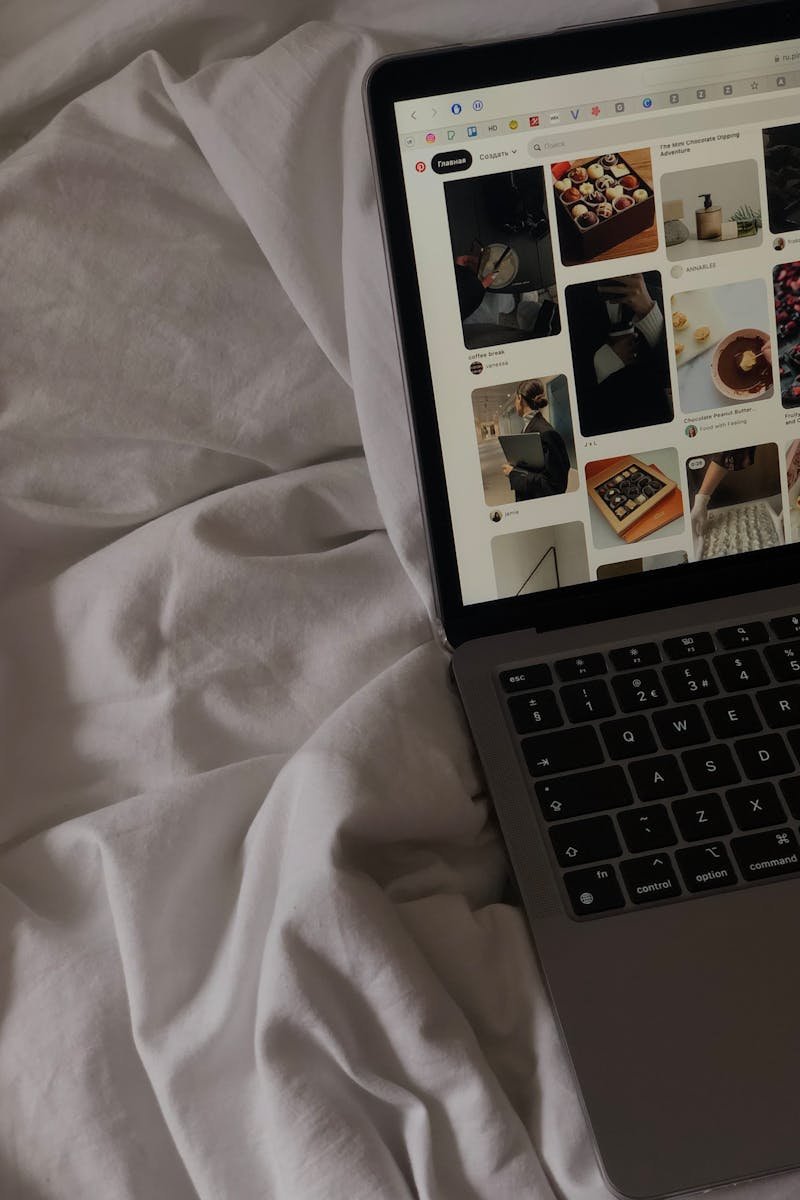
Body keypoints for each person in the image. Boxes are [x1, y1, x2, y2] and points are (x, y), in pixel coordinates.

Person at [568, 273, 672, 437]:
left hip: (657, 424)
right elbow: (570, 392)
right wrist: (604, 362)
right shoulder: (570, 303)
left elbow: (671, 376)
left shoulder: (658, 293)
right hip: (604, 428)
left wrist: (648, 312)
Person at [501, 379, 571, 501]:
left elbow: (555, 485)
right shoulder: (528, 426)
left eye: (515, 399)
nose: (514, 403)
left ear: (519, 398)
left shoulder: (547, 433)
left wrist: (515, 474)